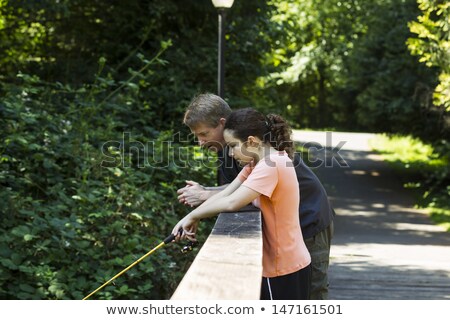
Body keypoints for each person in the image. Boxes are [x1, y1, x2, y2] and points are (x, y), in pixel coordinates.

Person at [178, 93, 335, 299]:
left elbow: (237, 197)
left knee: (312, 292)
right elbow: (237, 188)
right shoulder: (246, 154)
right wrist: (205, 195)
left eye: (204, 133)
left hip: (309, 219)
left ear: (222, 124)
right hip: (284, 237)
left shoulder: (254, 150)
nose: (200, 142)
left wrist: (202, 200)